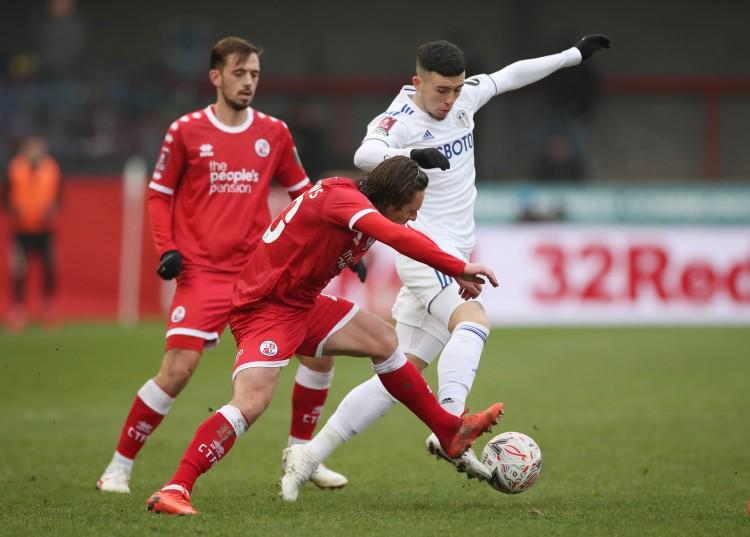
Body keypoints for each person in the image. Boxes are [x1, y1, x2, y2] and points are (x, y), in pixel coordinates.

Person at [281, 35, 611, 495]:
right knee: (474, 321)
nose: (450, 100)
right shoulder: (399, 118)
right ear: (418, 82)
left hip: (453, 248)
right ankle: (451, 426)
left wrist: (571, 56)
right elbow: (364, 154)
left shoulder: (463, 99)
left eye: (456, 89)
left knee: (400, 373)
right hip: (425, 249)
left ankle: (307, 456)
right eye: (441, 90)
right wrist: (412, 154)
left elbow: (510, 76)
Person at [145, 156, 504, 515]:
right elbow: (397, 236)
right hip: (264, 310)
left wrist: (450, 267)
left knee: (383, 340)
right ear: (391, 200)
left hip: (301, 304)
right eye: (410, 210)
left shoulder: (362, 204)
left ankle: (448, 430)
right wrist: (458, 266)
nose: (412, 218)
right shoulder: (342, 199)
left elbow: (400, 232)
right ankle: (176, 488)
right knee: (251, 403)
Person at [96, 36, 348, 494]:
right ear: (215, 77)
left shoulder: (274, 132)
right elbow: (159, 195)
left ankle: (302, 456)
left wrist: (338, 241)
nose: (248, 82)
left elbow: (305, 196)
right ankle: (118, 468)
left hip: (261, 272)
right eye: (239, 73)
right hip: (203, 273)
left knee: (320, 350)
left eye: (254, 74)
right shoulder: (186, 131)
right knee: (178, 369)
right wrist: (166, 248)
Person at [3, 135, 62, 330]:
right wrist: (13, 208)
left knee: (50, 266)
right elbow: (5, 198)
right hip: (21, 231)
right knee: (19, 270)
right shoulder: (15, 168)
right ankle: (18, 309)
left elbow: (59, 198)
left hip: (45, 230)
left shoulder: (51, 169)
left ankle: (47, 306)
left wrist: (52, 208)